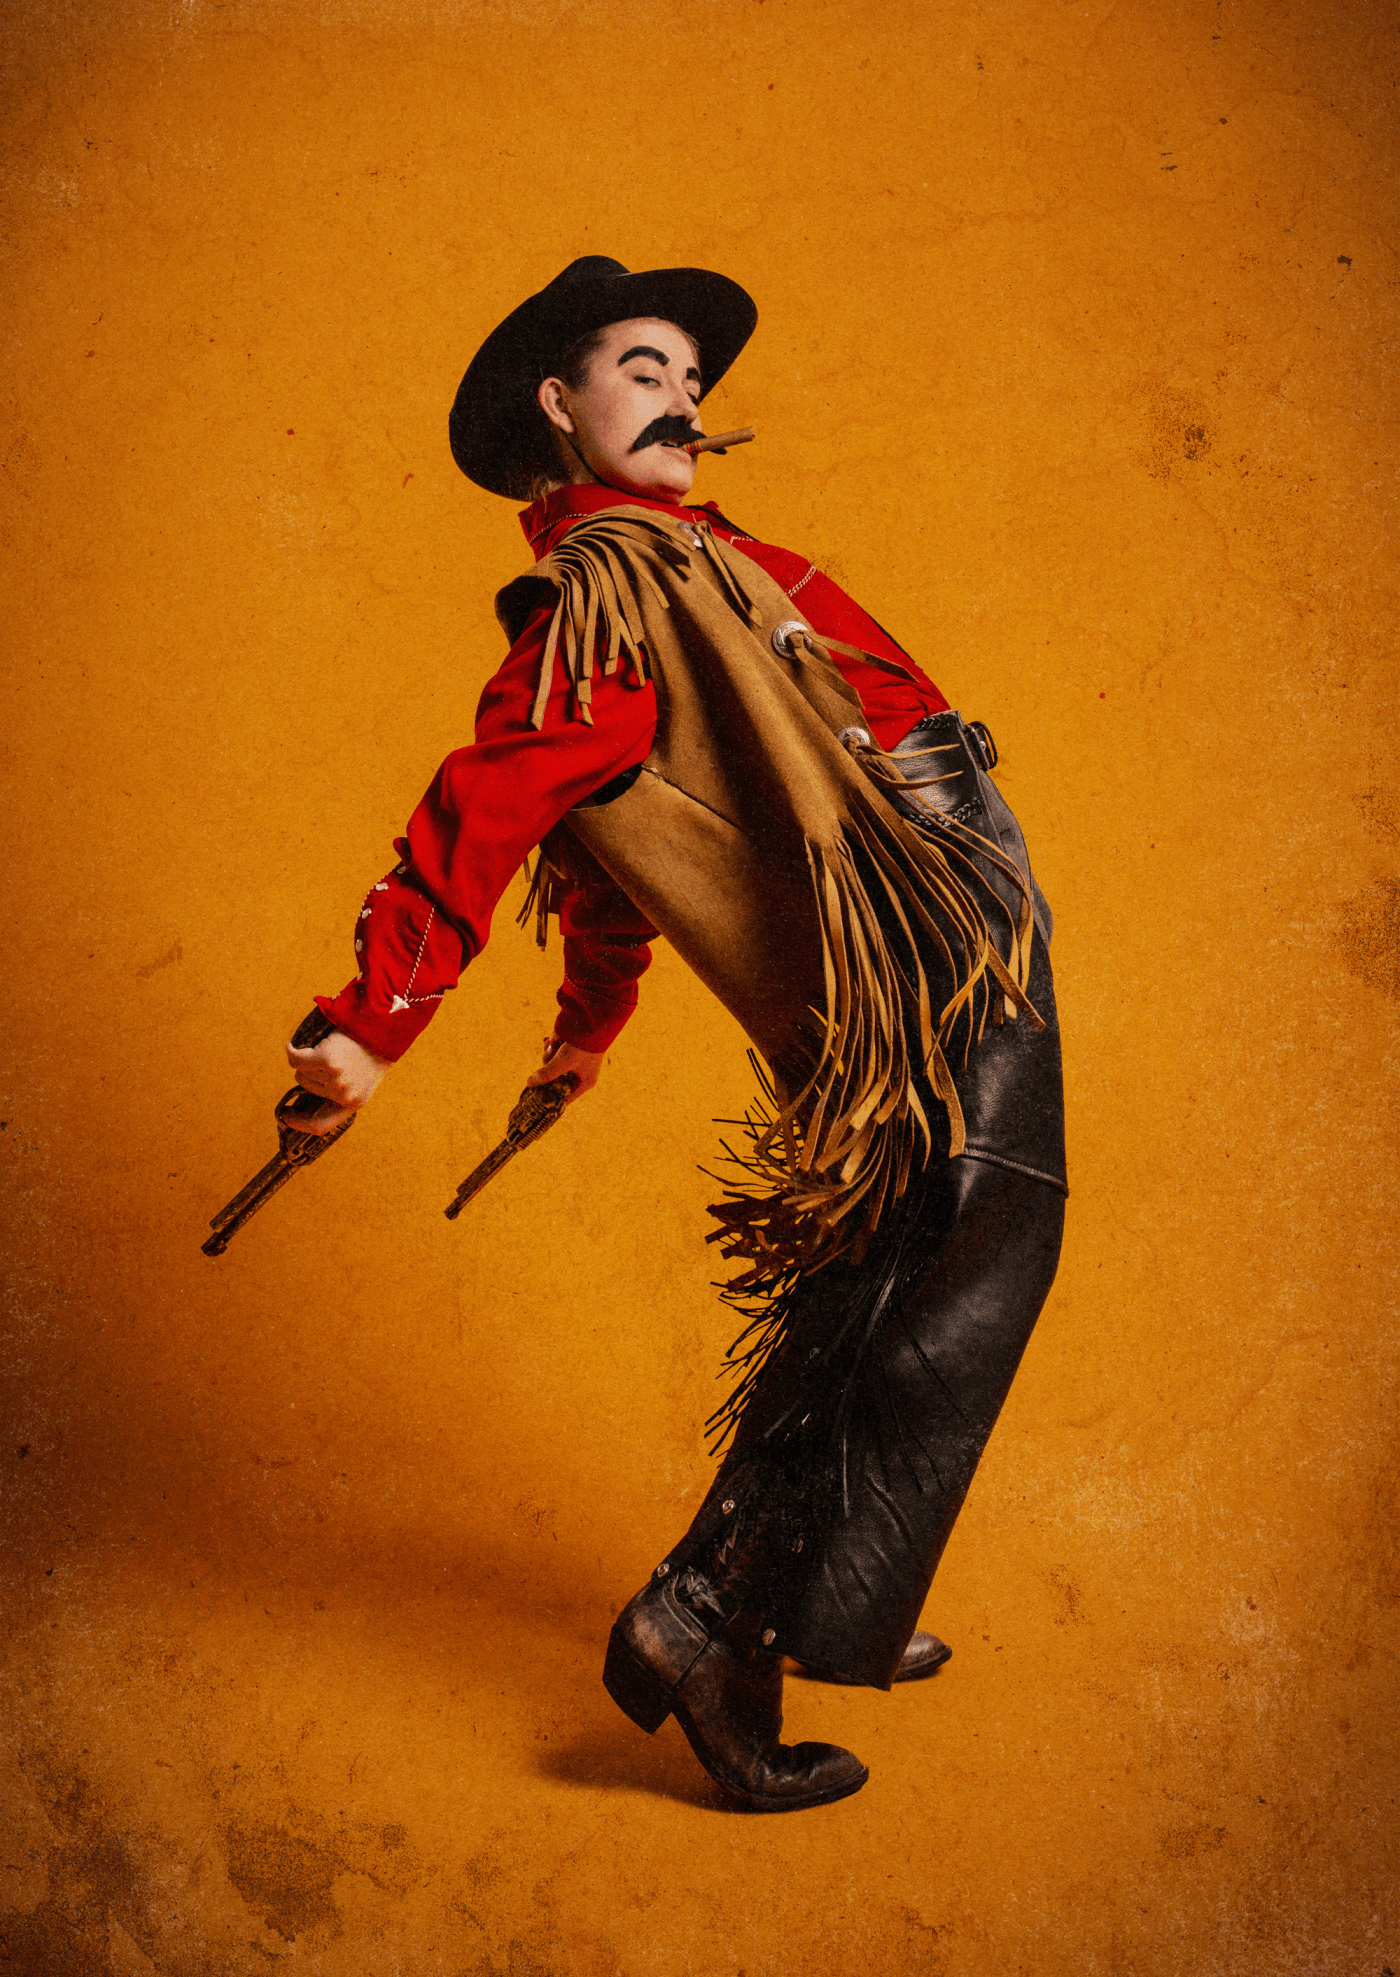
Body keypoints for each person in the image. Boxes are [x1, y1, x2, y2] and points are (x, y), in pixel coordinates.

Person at [286, 258, 1067, 1813]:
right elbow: (502, 796)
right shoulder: (620, 588)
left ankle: (812, 1595)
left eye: (693, 380)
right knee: (970, 1230)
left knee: (901, 1248)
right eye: (644, 370)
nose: (684, 399)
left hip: (936, 888)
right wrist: (373, 1025)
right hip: (919, 922)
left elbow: (640, 830)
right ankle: (716, 1616)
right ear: (556, 407)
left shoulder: (684, 570)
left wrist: (587, 1031)